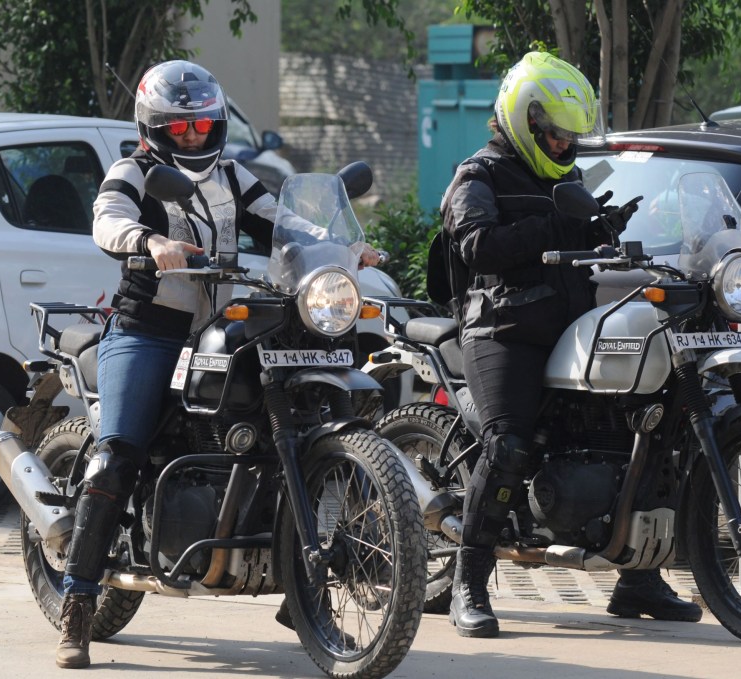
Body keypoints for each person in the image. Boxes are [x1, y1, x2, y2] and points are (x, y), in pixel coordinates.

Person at [55, 60, 379, 669]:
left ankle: (303, 582)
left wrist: (343, 246)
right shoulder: (134, 171)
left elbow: (284, 225)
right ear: (153, 129)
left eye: (203, 125)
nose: (194, 137)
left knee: (287, 433)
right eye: (179, 129)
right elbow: (107, 219)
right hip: (148, 329)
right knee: (117, 453)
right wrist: (149, 242)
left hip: (218, 327)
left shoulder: (233, 175)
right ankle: (76, 600)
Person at [439, 52, 701, 639]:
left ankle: (639, 577)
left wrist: (612, 226)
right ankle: (469, 582)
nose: (563, 146)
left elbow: (581, 235)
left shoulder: (571, 179)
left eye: (570, 137)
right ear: (523, 121)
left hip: (569, 324)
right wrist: (553, 230)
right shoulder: (477, 176)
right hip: (503, 329)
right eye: (554, 135)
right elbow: (476, 246)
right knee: (507, 445)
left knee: (650, 426)